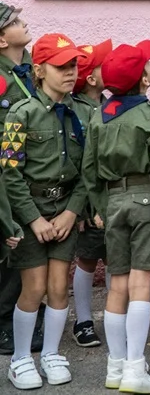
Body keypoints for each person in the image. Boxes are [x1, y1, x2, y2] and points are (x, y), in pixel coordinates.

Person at [82, 40, 150, 393]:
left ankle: (115, 368)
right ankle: (134, 368)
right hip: (147, 204)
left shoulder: (98, 116)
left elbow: (90, 172)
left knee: (117, 285)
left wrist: (102, 208)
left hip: (113, 204)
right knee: (141, 285)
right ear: (145, 79)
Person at [1, 33, 89, 388]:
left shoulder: (82, 112)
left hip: (65, 210)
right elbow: (9, 172)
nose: (70, 72)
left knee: (58, 287)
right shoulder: (20, 114)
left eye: (73, 65)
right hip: (30, 212)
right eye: (61, 66)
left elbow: (90, 170)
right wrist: (33, 219)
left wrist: (72, 212)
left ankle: (51, 352)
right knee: (33, 287)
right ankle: (21, 358)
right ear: (39, 71)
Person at [0, 4, 44, 358]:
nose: (23, 23)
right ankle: (3, 326)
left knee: (25, 253)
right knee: (9, 251)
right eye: (13, 22)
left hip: (32, 174)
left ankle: (26, 315)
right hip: (8, 174)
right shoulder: (2, 77)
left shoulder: (28, 69)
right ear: (1, 39)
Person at [69, 39, 113, 349]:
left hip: (116, 198)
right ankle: (83, 321)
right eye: (102, 63)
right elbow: (80, 162)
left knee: (116, 259)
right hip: (91, 202)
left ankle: (115, 315)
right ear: (92, 79)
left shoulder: (111, 102)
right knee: (87, 259)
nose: (109, 65)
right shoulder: (78, 111)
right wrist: (85, 208)